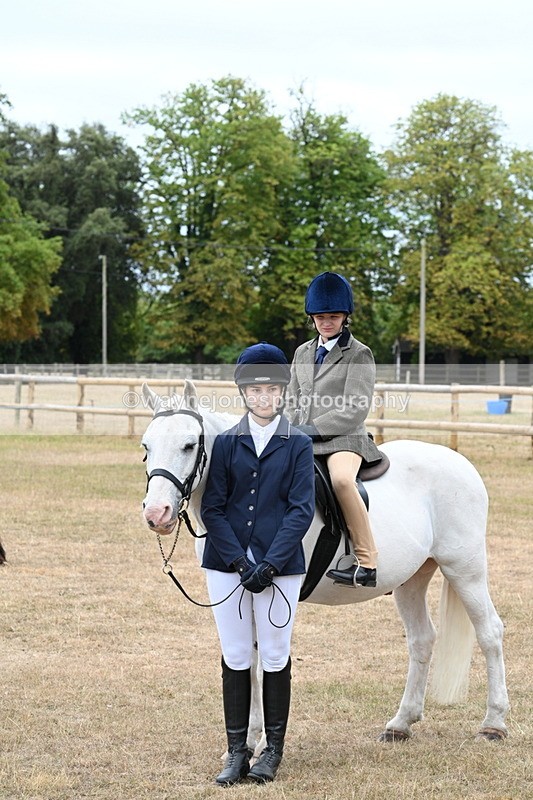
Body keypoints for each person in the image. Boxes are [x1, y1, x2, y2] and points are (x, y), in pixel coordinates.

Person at [200, 343, 315, 786]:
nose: (264, 397)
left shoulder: (298, 444)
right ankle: (236, 750)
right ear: (244, 393)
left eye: (271, 389)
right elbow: (213, 508)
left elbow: (300, 510)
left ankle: (273, 750)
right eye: (255, 389)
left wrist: (267, 564)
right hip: (226, 566)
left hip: (280, 568)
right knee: (234, 655)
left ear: (281, 393)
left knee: (273, 654)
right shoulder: (227, 443)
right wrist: (236, 560)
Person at [286, 271, 381, 588]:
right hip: (303, 436)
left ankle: (367, 563)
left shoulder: (359, 354)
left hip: (345, 438)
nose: (327, 322)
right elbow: (292, 397)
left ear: (345, 317)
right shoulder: (301, 353)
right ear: (312, 317)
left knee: (341, 480)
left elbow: (355, 407)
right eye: (321, 317)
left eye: (334, 316)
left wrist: (310, 428)